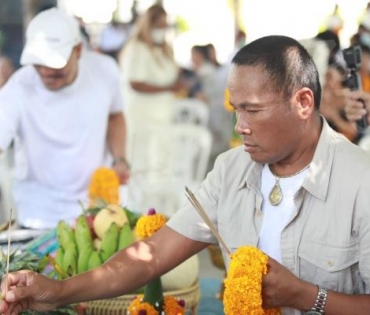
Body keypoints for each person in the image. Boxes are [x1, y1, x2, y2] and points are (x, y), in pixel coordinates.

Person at [2, 35, 370, 315]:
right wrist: (59, 291)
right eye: (235, 110)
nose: (240, 127)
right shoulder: (231, 169)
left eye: (253, 111)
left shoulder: (360, 183)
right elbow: (153, 253)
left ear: (303, 102)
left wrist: (305, 296)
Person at [0, 8, 129, 230]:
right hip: (39, 215)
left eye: (55, 66)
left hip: (98, 210)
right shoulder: (18, 88)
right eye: (38, 65)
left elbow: (115, 116)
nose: (46, 73)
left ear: (78, 49)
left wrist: (119, 159)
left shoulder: (104, 71)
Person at [118, 4, 186, 178]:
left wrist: (178, 83)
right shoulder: (137, 48)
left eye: (165, 26)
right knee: (143, 165)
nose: (162, 30)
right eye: (158, 25)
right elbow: (136, 84)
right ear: (149, 24)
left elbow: (172, 75)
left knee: (161, 165)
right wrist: (168, 88)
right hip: (142, 118)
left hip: (163, 117)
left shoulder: (164, 49)